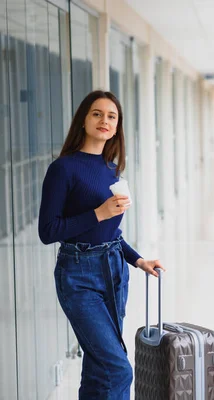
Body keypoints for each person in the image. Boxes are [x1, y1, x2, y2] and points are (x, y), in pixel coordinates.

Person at [38, 90, 165, 399]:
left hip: (114, 272)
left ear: (117, 126)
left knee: (97, 367)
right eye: (97, 113)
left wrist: (138, 260)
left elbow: (111, 234)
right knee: (117, 368)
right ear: (83, 119)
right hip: (78, 277)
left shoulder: (111, 169)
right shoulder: (63, 168)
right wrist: (99, 213)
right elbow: (48, 230)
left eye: (112, 116)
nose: (104, 121)